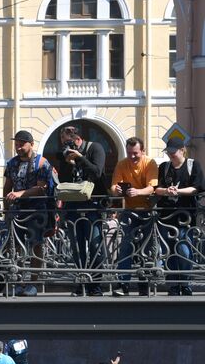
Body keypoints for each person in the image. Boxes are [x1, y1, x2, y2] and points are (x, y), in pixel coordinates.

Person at [56, 124, 107, 296]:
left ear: (78, 140)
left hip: (92, 206)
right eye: (63, 144)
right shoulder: (67, 154)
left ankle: (96, 284)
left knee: (94, 244)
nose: (66, 147)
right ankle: (81, 281)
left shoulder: (95, 148)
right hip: (72, 206)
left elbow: (97, 172)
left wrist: (80, 158)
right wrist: (68, 163)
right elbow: (63, 180)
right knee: (77, 247)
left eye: (69, 143)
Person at [4, 130, 55, 297]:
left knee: (36, 244)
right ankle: (18, 280)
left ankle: (33, 282)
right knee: (15, 245)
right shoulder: (12, 163)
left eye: (21, 144)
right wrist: (5, 207)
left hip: (36, 210)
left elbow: (41, 188)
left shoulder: (42, 163)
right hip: (16, 210)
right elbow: (8, 185)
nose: (18, 147)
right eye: (16, 144)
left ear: (31, 144)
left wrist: (20, 194)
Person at [153, 137, 203, 295]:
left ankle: (185, 282)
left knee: (184, 249)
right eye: (168, 152)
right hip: (166, 215)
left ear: (182, 150)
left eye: (173, 152)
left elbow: (197, 188)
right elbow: (157, 189)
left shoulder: (192, 165)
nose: (170, 155)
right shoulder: (164, 167)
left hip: (186, 215)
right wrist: (167, 191)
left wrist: (178, 191)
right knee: (169, 250)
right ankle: (174, 284)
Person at [110, 137, 158, 296]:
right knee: (125, 247)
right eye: (129, 153)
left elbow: (152, 187)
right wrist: (115, 190)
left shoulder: (150, 163)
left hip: (147, 212)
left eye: (135, 153)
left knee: (146, 248)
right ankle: (123, 283)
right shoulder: (122, 164)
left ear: (143, 151)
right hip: (128, 212)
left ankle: (144, 283)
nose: (132, 156)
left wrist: (138, 191)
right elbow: (113, 186)